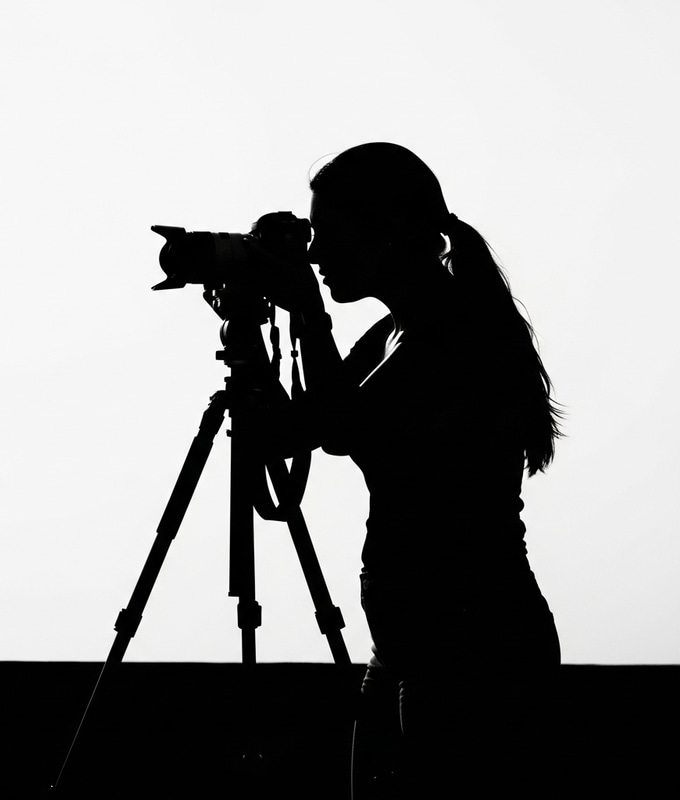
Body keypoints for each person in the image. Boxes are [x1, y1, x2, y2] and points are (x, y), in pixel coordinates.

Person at [255, 142, 562, 797]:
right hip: (406, 649)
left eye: (328, 233)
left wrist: (306, 309)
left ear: (387, 228)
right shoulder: (391, 331)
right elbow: (305, 427)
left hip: (473, 651)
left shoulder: (456, 333)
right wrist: (251, 337)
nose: (316, 252)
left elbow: (343, 428)